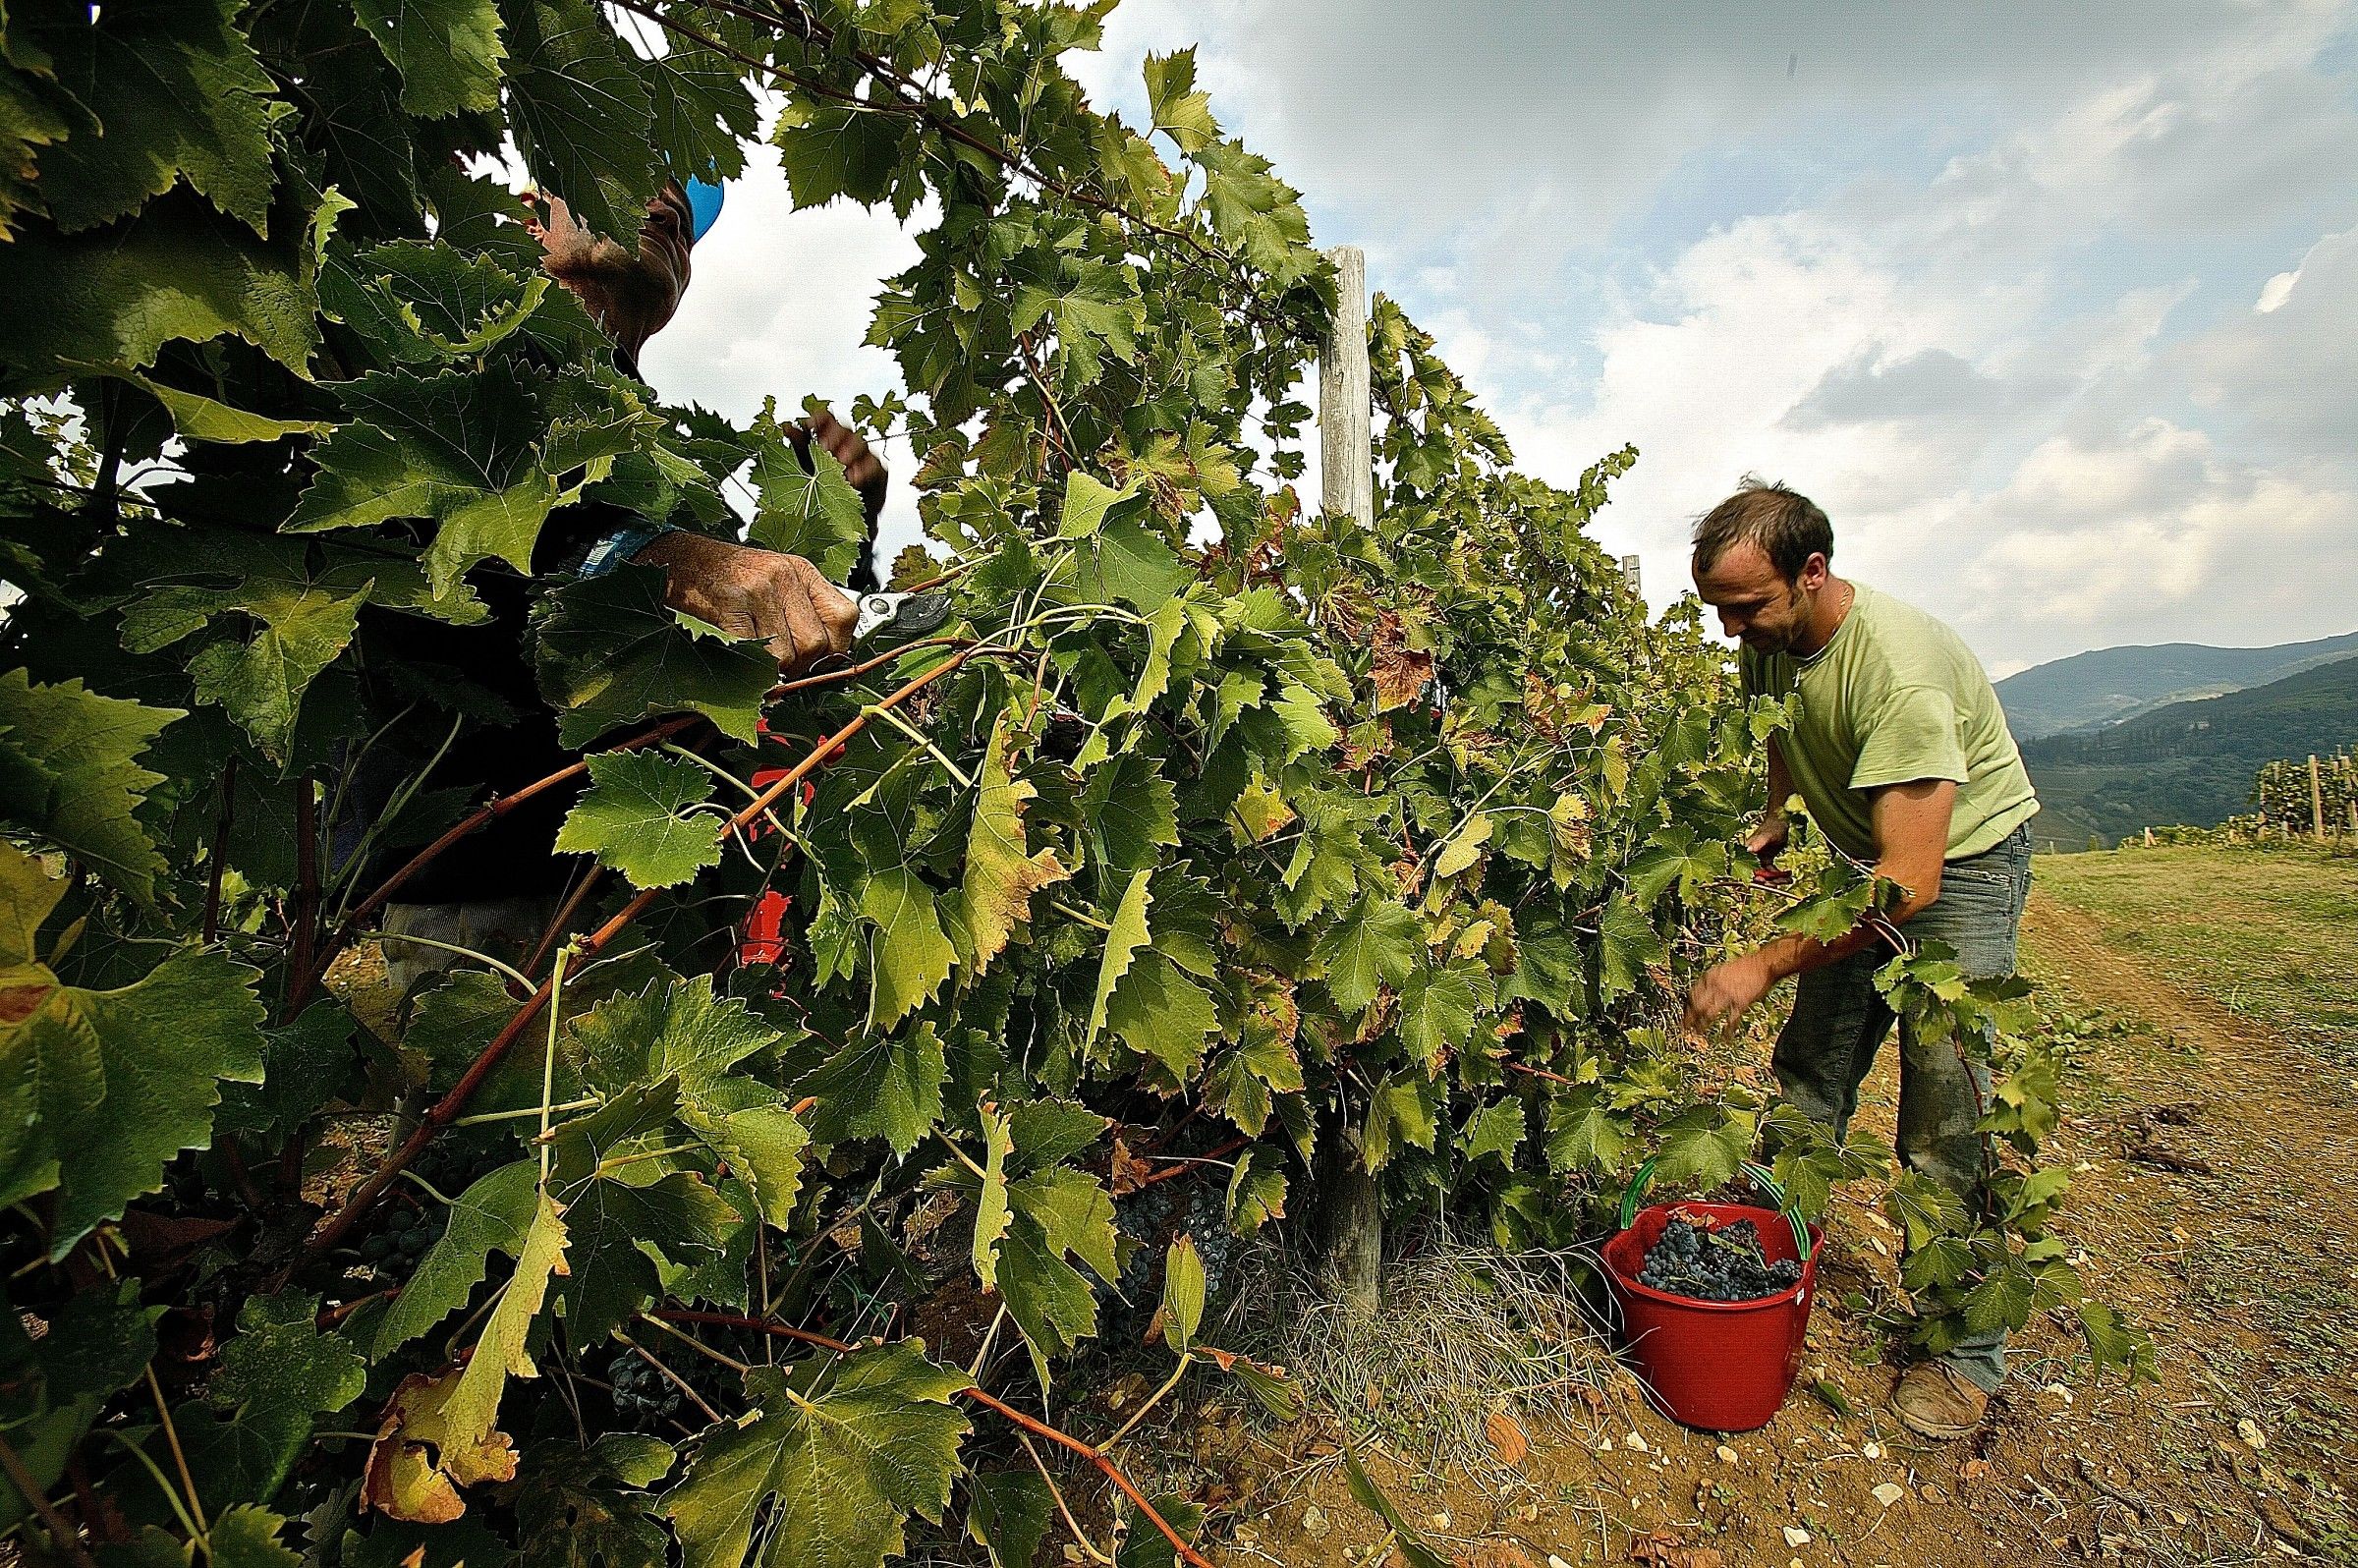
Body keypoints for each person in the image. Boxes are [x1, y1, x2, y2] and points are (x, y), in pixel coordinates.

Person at [364, 177, 888, 998]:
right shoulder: (454, 346)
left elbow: (783, 660)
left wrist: (844, 531)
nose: (667, 209)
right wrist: (682, 565)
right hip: (485, 901)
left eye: (682, 229)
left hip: (654, 889)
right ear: (536, 215)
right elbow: (473, 543)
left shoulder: (651, 453)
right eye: (628, 180)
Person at [1678, 478, 2040, 1439]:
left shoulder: (1900, 673)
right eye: (1719, 612)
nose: (1730, 633)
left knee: (1943, 1115)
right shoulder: (1773, 639)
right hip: (1860, 864)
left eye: (1746, 609)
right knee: (1810, 1071)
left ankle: (1964, 1358)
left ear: (1814, 572)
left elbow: (1905, 886)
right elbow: (1783, 734)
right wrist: (1772, 815)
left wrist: (1763, 963)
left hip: (1953, 875)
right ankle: (1772, 1251)